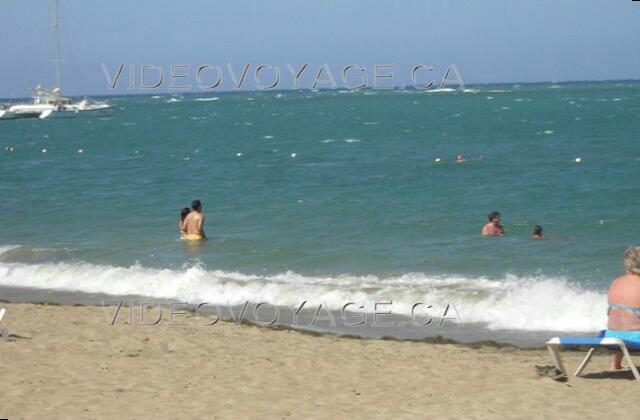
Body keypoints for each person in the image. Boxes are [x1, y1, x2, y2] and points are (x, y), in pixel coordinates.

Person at [606, 246, 640, 370]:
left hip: (611, 338)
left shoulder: (615, 282)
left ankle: (615, 364)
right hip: (636, 340)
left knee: (623, 316)